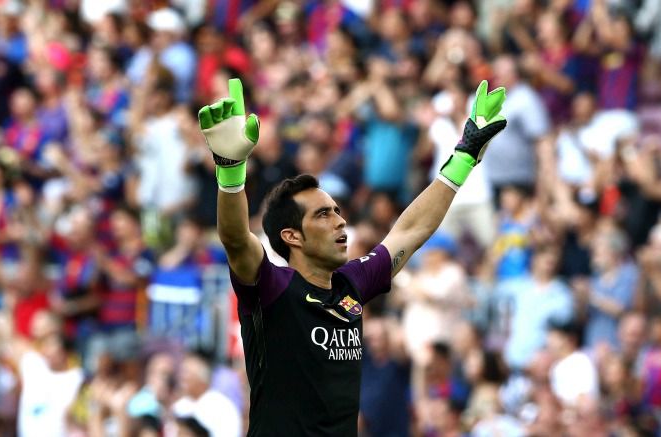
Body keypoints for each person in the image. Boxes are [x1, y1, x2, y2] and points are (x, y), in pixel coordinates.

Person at [197, 78, 507, 436]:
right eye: (323, 215)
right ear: (291, 236)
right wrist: (231, 172)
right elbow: (236, 240)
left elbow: (410, 230)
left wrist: (464, 156)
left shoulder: (351, 284)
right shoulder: (270, 287)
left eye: (337, 211)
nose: (340, 221)